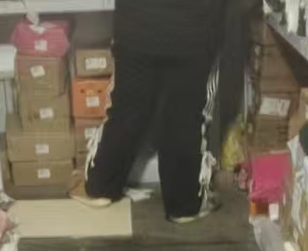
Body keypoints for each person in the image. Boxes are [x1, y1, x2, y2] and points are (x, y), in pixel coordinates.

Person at [70, 0, 225, 223]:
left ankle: (101, 186)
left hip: (137, 22)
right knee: (186, 114)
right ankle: (184, 204)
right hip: (195, 26)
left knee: (127, 107)